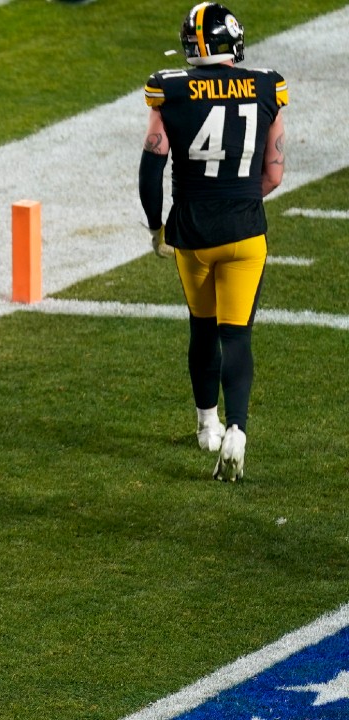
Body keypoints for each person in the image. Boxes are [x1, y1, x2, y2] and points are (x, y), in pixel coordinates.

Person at [139, 2, 286, 482]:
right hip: (246, 232)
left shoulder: (170, 89)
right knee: (237, 334)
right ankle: (238, 428)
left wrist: (155, 224)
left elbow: (152, 167)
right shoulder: (266, 84)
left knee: (203, 329)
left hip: (193, 233)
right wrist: (240, 199)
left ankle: (207, 425)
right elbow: (275, 173)